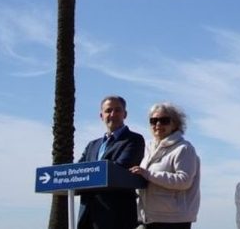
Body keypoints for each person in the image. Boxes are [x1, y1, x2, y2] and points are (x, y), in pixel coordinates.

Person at [78, 95, 146, 229]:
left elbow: (119, 168)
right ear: (101, 115)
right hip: (88, 215)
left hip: (116, 215)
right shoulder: (92, 145)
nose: (112, 114)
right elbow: (78, 170)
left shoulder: (133, 140)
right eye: (108, 110)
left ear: (125, 114)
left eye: (117, 110)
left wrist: (88, 173)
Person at [130, 102, 201, 228]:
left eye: (164, 120)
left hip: (173, 221)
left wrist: (148, 174)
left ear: (175, 124)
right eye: (154, 120)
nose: (158, 124)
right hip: (147, 218)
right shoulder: (147, 147)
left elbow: (184, 181)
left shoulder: (184, 149)